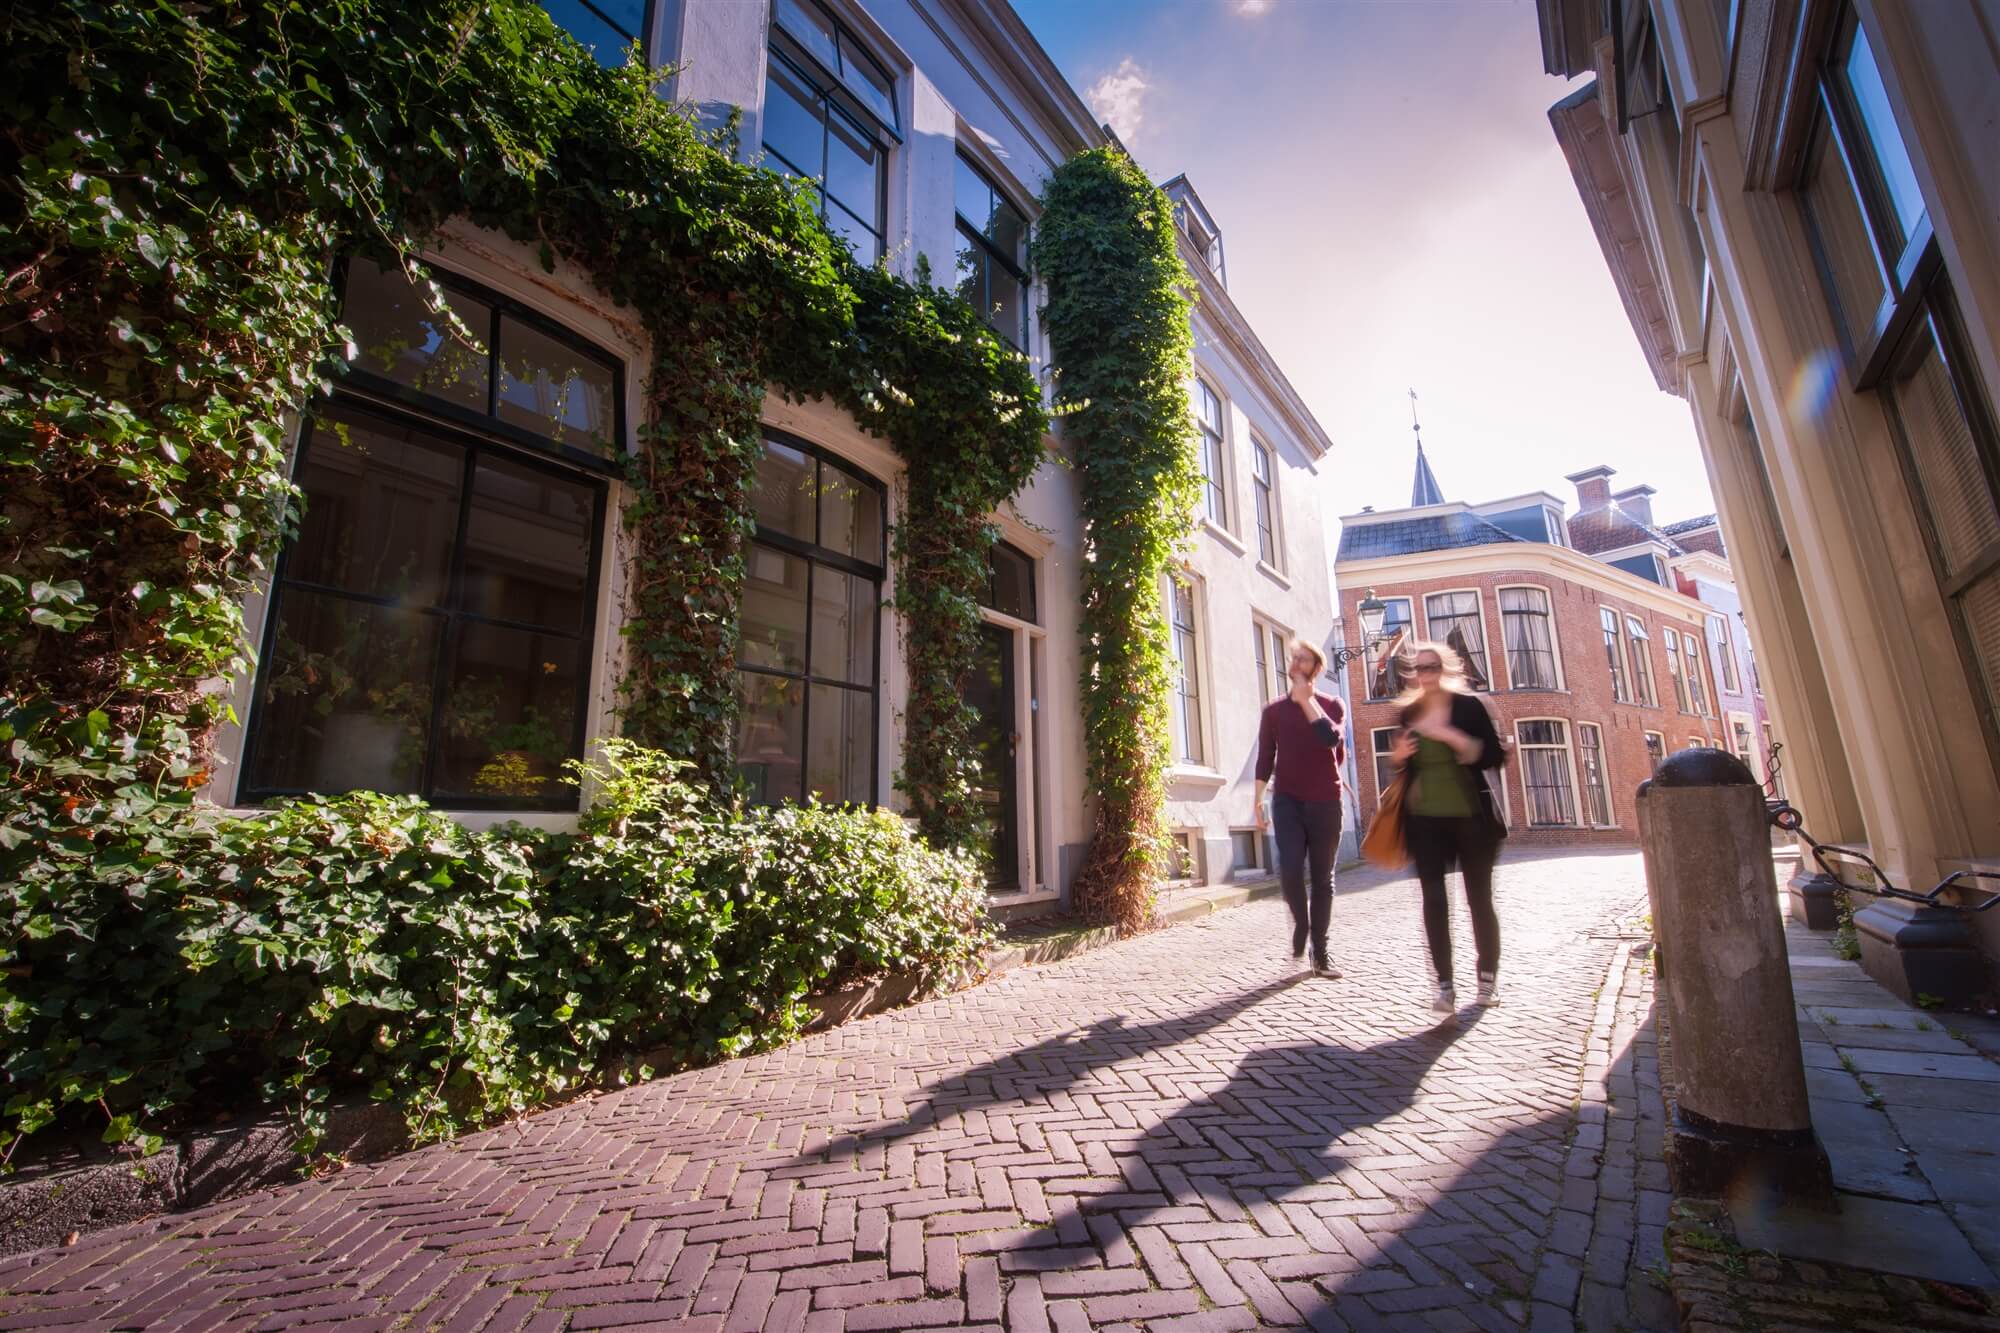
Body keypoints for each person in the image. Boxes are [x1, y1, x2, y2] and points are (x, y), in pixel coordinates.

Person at [1388, 641, 1509, 1013]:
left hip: (1472, 819)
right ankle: (1445, 986)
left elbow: (1494, 755)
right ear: (1414, 673)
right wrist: (1399, 758)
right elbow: (1402, 769)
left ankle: (1486, 981)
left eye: (1433, 667)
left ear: (1446, 669)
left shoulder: (1470, 706)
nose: (1427, 674)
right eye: (1421, 668)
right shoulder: (1409, 713)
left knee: (1478, 900)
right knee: (1434, 901)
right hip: (1425, 821)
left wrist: (1449, 736)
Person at [1254, 638, 1348, 978]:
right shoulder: (1273, 711)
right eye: (1293, 657)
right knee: (1291, 869)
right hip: (1287, 800)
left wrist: (1309, 703)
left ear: (1316, 668)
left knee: (1323, 879)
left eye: (1303, 658)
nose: (1295, 662)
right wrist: (1258, 801)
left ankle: (1320, 952)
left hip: (1325, 800)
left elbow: (1331, 740)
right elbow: (1265, 758)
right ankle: (1302, 924)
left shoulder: (1332, 704)